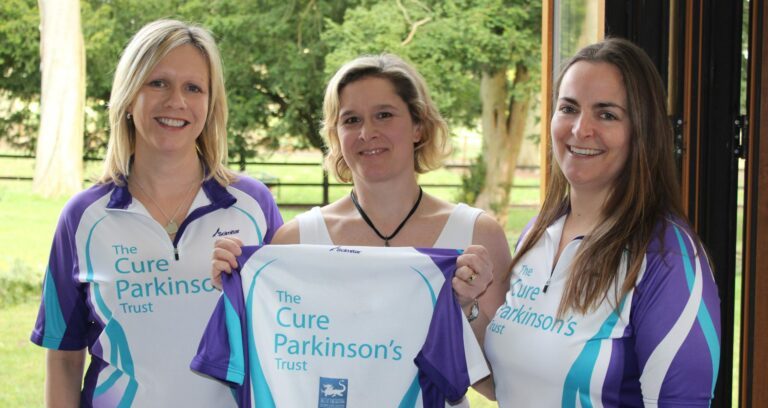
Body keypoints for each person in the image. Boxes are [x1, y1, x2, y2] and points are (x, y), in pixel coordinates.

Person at [211, 53, 512, 405]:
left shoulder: (475, 235)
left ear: (418, 126)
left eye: (384, 115)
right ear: (336, 135)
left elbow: (497, 387)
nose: (367, 133)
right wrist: (236, 287)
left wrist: (468, 307)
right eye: (351, 120)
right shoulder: (297, 240)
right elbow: (269, 366)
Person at [30, 19, 282, 407]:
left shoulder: (252, 205)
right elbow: (64, 358)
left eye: (193, 88)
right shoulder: (83, 217)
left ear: (211, 104)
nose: (176, 101)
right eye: (158, 83)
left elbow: (287, 331)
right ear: (129, 96)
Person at [480, 38, 721, 407]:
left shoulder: (667, 256)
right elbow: (512, 383)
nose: (580, 129)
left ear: (641, 131)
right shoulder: (536, 234)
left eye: (606, 114)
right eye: (568, 108)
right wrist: (468, 307)